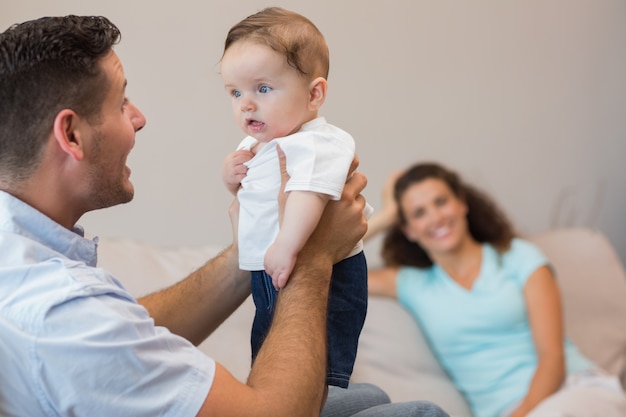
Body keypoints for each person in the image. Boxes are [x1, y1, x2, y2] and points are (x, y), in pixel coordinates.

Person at [0, 15, 450, 417]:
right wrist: (312, 255)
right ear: (71, 134)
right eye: (122, 103)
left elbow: (123, 328)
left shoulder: (21, 254)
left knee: (366, 396)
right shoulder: (59, 312)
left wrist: (249, 250)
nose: (139, 119)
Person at [366, 162, 626, 417]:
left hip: (573, 391)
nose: (436, 217)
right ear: (408, 230)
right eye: (419, 213)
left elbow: (552, 358)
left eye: (441, 202)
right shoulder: (411, 283)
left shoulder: (519, 257)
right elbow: (330, 260)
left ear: (461, 202)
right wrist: (386, 216)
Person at [219, 7, 369, 394]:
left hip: (327, 274)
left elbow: (309, 194)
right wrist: (233, 179)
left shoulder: (317, 143)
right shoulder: (259, 145)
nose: (246, 104)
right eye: (235, 92)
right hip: (273, 269)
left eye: (262, 89)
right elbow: (256, 201)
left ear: (314, 94)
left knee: (315, 370)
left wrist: (286, 246)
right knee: (269, 357)